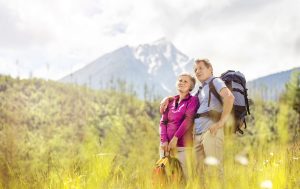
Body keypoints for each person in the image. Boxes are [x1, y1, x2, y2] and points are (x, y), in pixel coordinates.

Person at [160, 59, 234, 181]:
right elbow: (185, 97)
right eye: (195, 69)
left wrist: (221, 122)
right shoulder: (200, 90)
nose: (197, 71)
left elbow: (229, 97)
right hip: (198, 136)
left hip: (211, 131)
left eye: (201, 68)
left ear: (210, 69)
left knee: (215, 169)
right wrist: (168, 98)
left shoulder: (216, 81)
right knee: (200, 173)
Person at [159, 73, 199, 180]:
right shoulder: (170, 101)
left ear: (190, 87)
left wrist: (175, 139)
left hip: (183, 147)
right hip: (166, 148)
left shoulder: (193, 100)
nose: (181, 82)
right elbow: (163, 122)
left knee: (185, 179)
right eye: (180, 80)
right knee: (165, 179)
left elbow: (188, 120)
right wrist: (164, 141)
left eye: (185, 81)